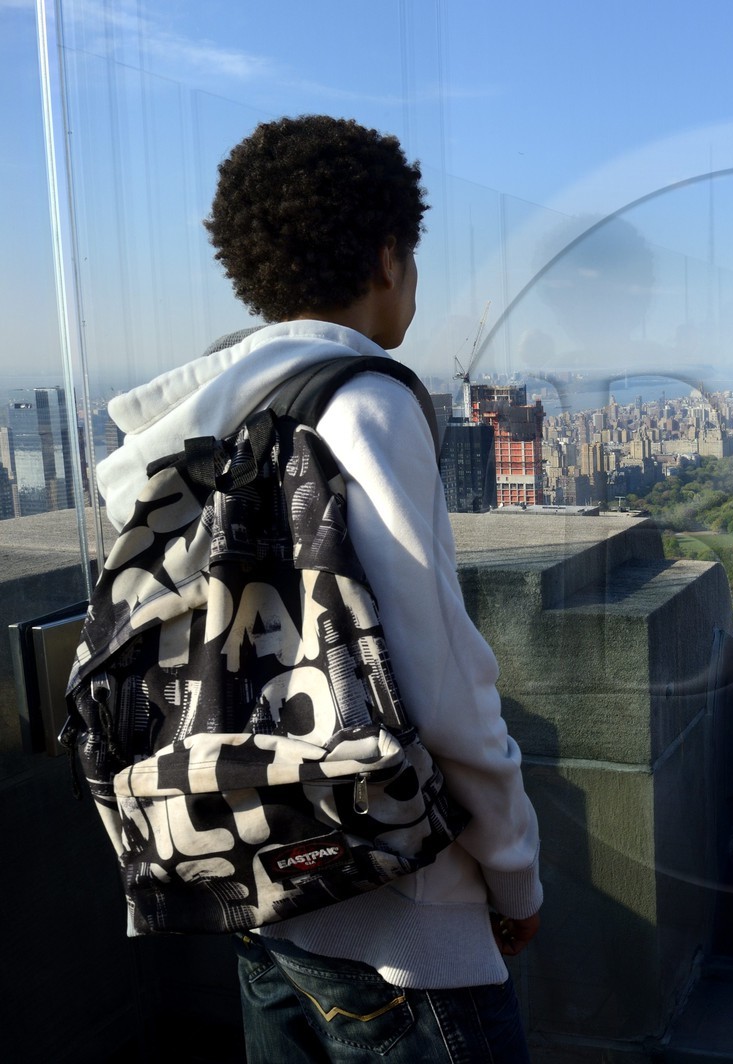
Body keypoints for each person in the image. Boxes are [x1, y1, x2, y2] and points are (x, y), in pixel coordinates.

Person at [95, 114, 542, 1062]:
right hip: (398, 921)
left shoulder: (208, 412)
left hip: (259, 890)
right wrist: (515, 871)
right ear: (387, 257)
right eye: (413, 260)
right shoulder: (365, 402)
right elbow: (442, 683)